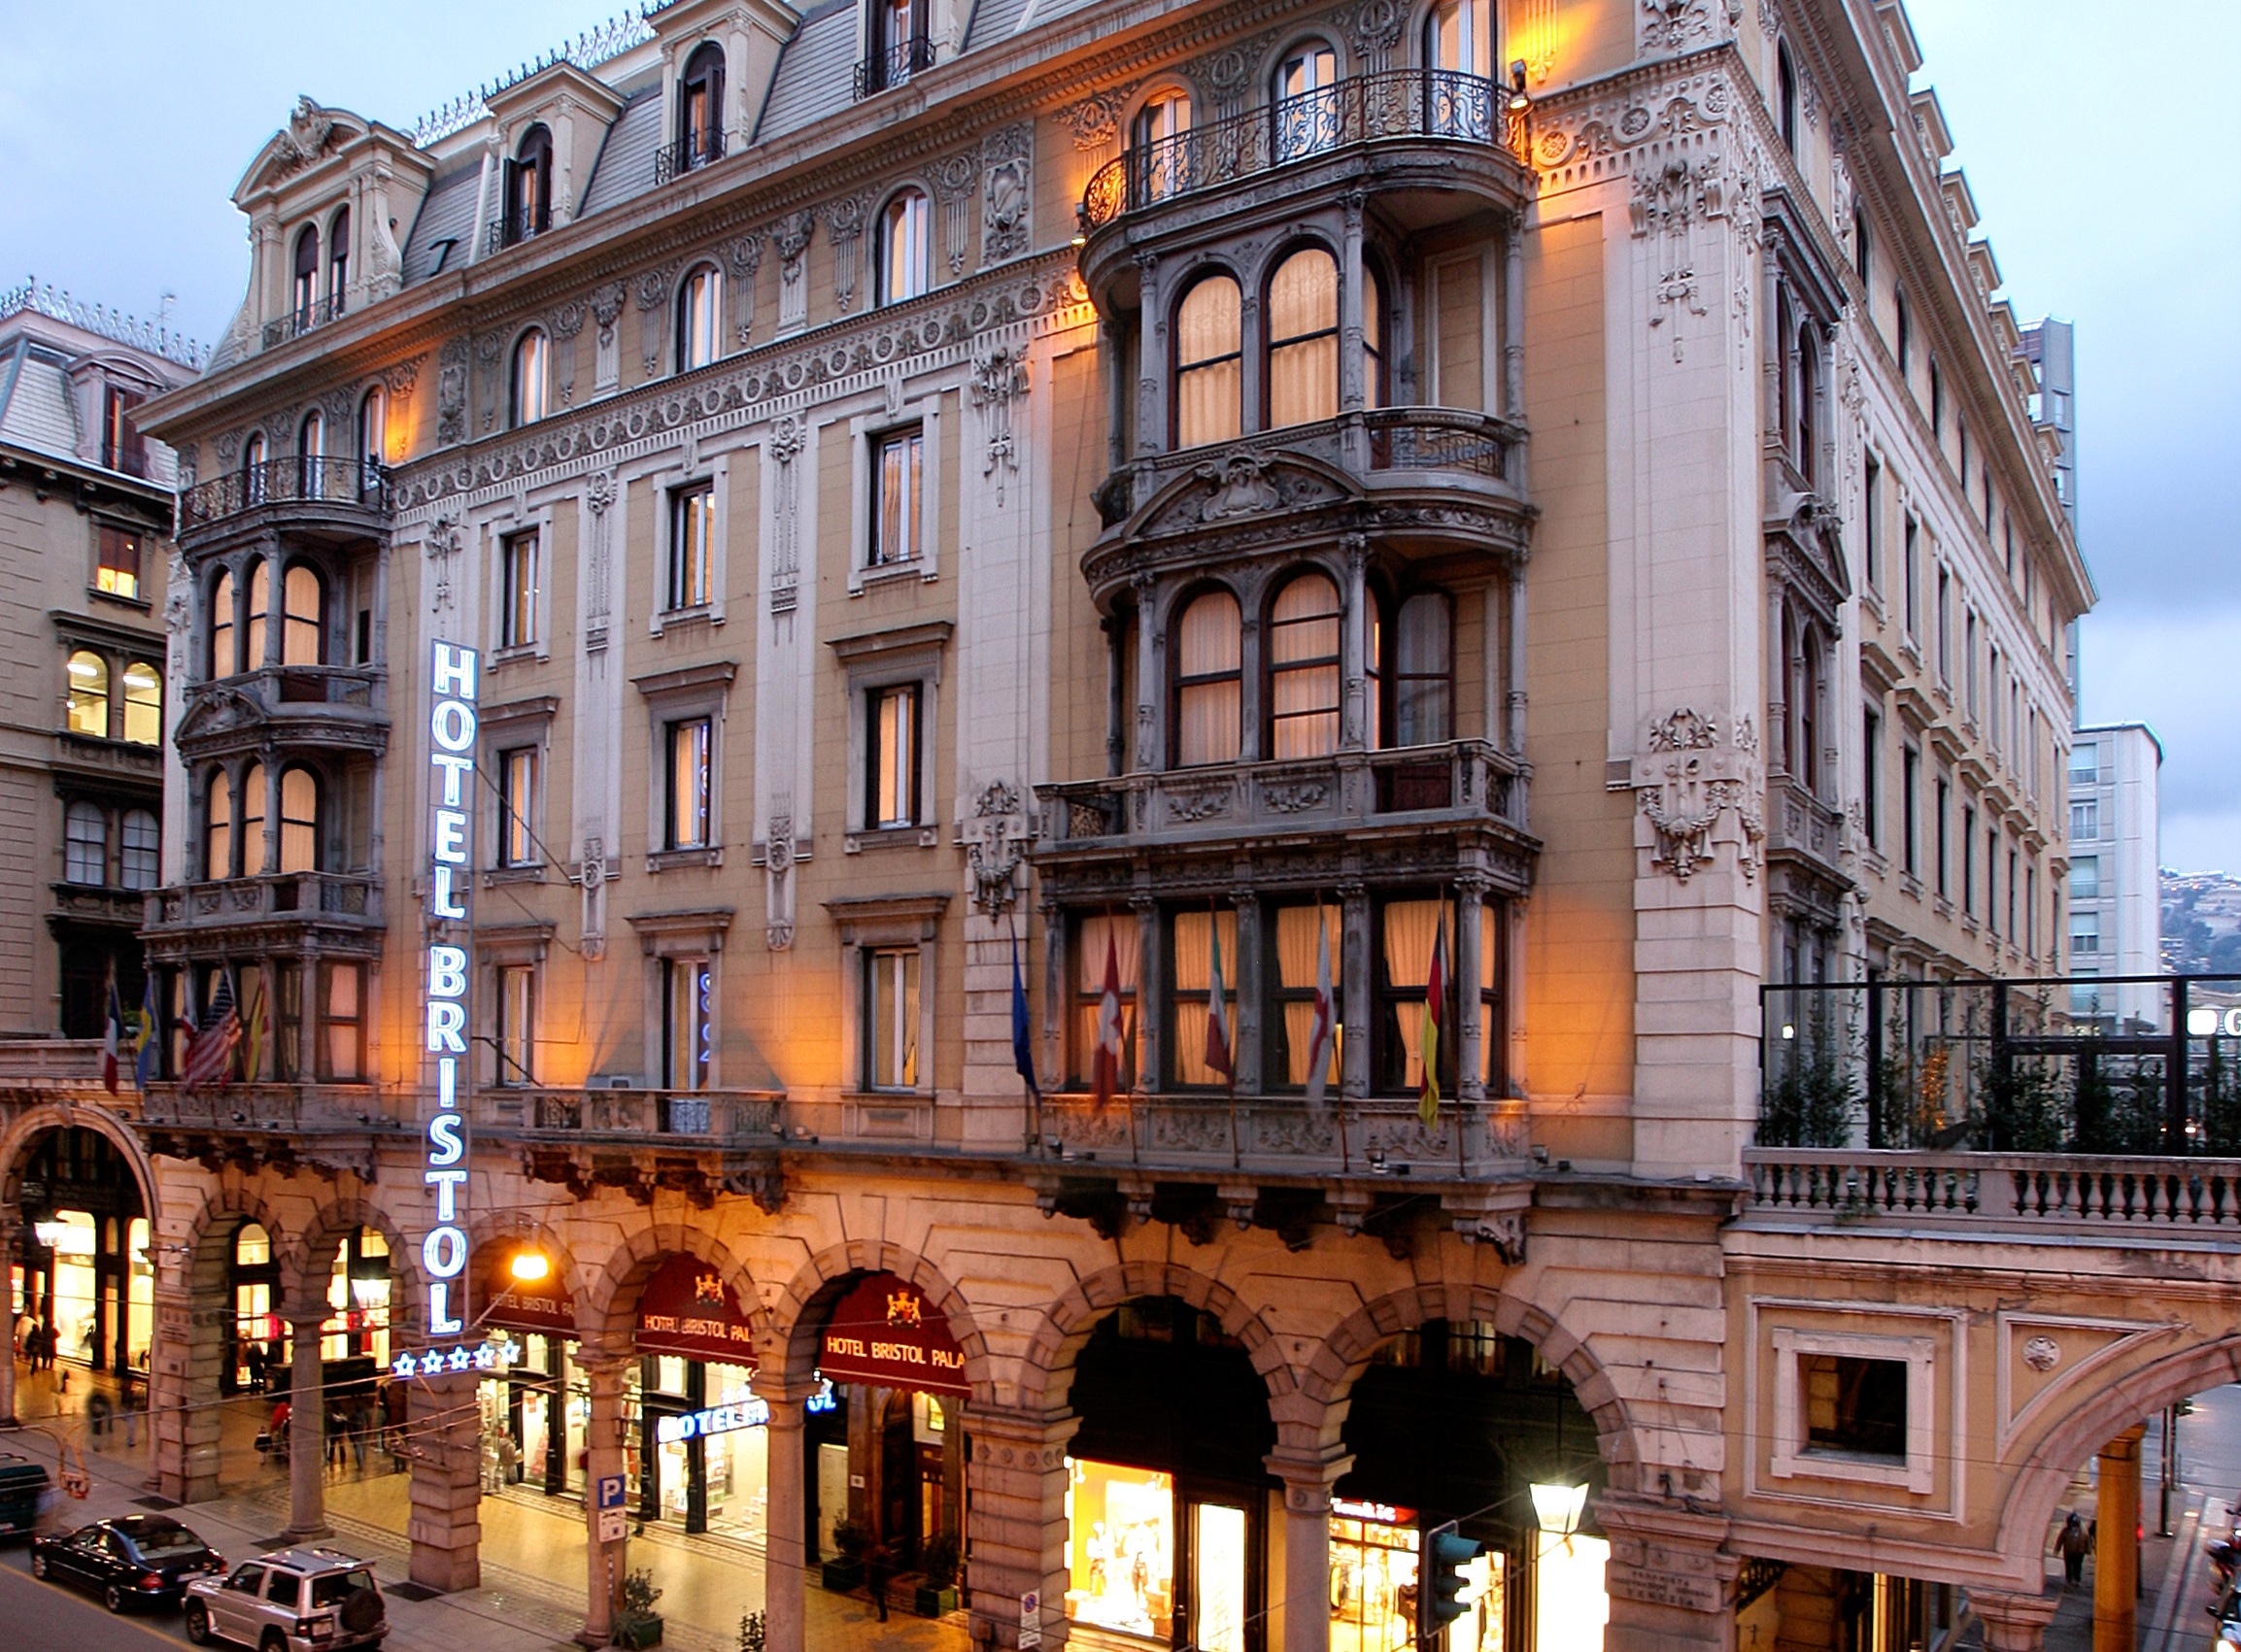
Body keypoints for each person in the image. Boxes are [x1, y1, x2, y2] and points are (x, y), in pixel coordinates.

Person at [2056, 1509, 2089, 1587]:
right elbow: (2060, 1540)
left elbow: (2087, 1541)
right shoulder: (2066, 1531)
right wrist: (2057, 1549)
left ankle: (2077, 1579)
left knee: (2078, 1566)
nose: (2074, 1526)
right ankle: (2069, 1579)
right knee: (2068, 1565)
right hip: (2069, 1551)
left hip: (2079, 1552)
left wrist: (2088, 1550)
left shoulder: (2083, 1532)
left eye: (2075, 1524)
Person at [865, 1539, 892, 1623]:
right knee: (879, 1599)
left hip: (878, 1584)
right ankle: (882, 1615)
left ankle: (883, 1617)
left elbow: (876, 1574)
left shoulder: (879, 1563)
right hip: (879, 1583)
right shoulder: (882, 1562)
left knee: (880, 1600)